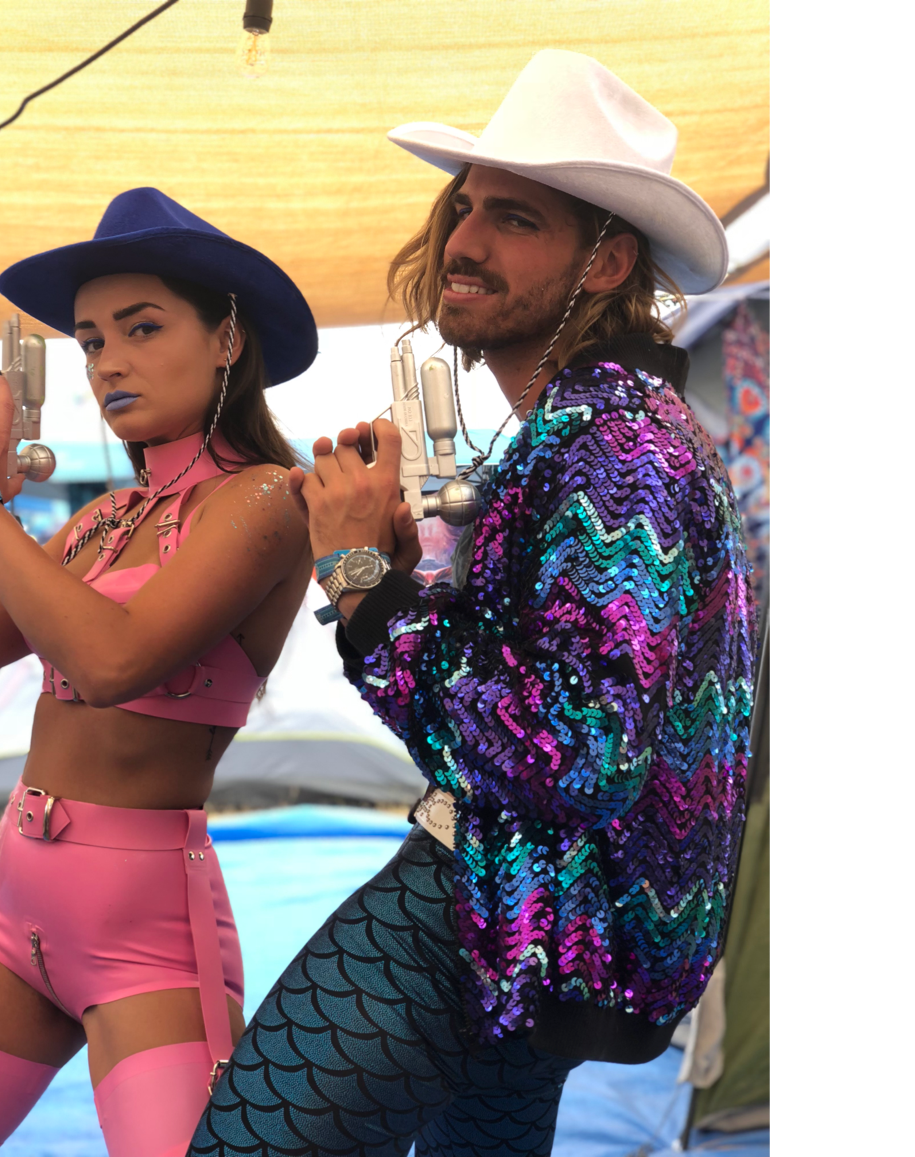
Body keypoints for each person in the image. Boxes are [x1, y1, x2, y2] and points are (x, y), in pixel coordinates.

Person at [190, 50, 755, 1156]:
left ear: (605, 262)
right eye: (465, 206)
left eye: (515, 218)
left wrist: (361, 582)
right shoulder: (585, 426)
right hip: (534, 918)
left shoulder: (615, 449)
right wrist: (406, 583)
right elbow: (540, 694)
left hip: (501, 903)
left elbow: (576, 755)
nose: (464, 240)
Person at [0, 187, 318, 1157]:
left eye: (141, 327)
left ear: (226, 338)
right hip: (11, 910)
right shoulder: (98, 521)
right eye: (90, 341)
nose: (108, 363)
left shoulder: (265, 498)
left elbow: (110, 662)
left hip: (148, 941)